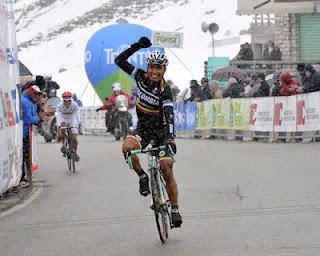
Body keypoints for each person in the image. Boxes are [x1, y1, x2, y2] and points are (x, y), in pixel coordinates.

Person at [114, 36, 182, 228]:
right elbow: (119, 61)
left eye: (158, 68)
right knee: (127, 148)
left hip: (161, 133)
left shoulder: (165, 91)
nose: (154, 71)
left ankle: (175, 208)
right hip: (143, 130)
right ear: (148, 67)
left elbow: (169, 116)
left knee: (167, 169)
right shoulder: (139, 76)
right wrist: (136, 46)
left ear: (164, 70)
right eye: (151, 67)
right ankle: (143, 177)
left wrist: (170, 138)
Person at [21, 85, 48, 186]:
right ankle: (23, 177)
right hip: (24, 133)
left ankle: (28, 176)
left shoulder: (31, 102)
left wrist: (38, 117)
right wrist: (39, 118)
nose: (39, 97)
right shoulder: (25, 102)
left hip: (29, 133)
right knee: (25, 156)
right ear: (32, 94)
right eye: (37, 95)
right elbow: (28, 120)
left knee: (28, 156)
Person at [57, 91, 81, 161]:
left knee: (74, 138)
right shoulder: (60, 106)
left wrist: (79, 123)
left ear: (71, 99)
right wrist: (59, 125)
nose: (67, 103)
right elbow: (58, 116)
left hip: (72, 118)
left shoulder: (75, 105)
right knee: (62, 128)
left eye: (69, 101)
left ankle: (75, 153)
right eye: (65, 101)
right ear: (63, 100)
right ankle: (64, 145)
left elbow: (78, 115)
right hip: (63, 117)